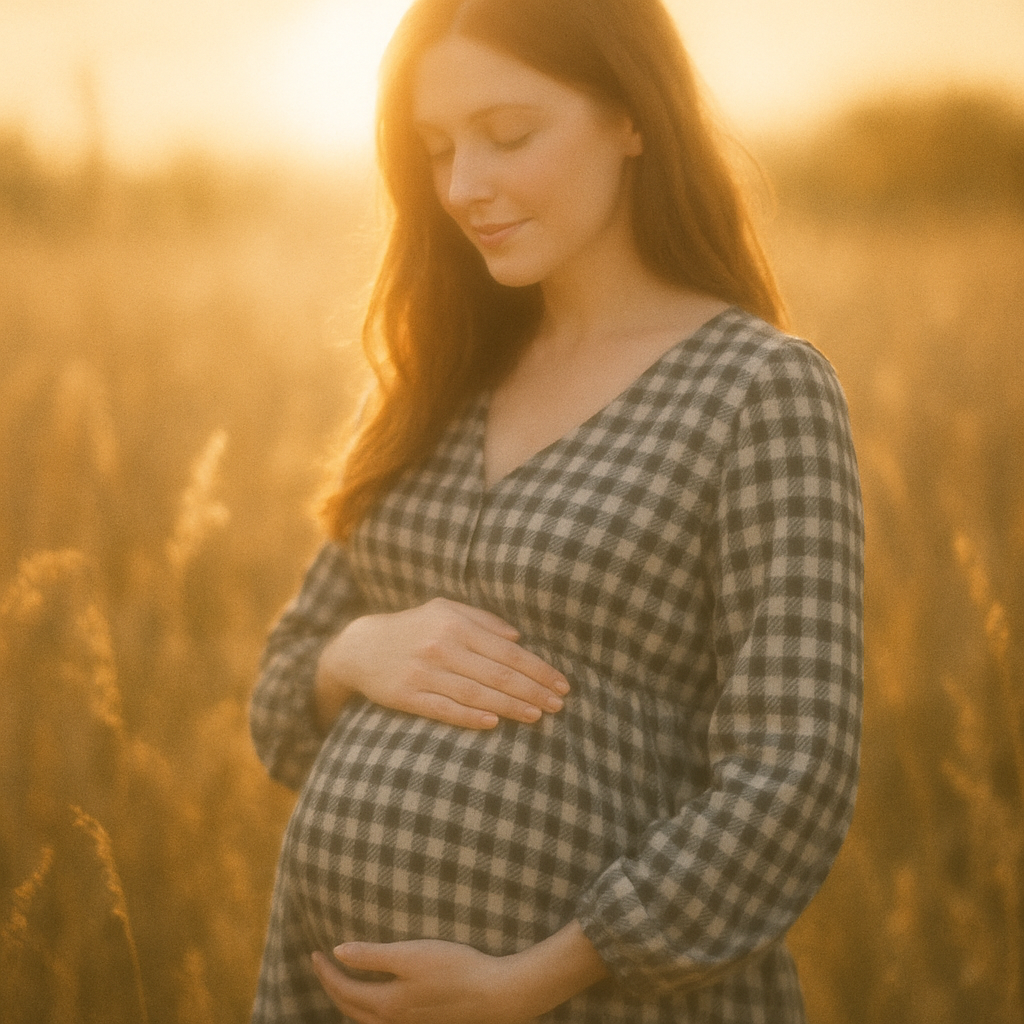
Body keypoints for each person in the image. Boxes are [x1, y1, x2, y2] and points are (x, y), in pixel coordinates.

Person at [249, 0, 864, 1020]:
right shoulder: (436, 378)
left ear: (632, 117)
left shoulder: (757, 390)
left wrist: (529, 980)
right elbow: (279, 703)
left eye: (508, 135)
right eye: (437, 149)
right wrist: (354, 650)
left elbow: (790, 774)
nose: (462, 187)